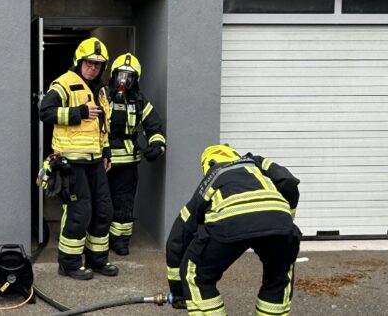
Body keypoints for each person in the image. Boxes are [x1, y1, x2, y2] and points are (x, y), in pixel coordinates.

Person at [165, 144, 301, 315]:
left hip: (229, 226)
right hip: (280, 224)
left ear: (208, 164)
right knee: (279, 276)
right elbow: (288, 181)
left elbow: (178, 238)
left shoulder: (211, 177)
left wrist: (179, 290)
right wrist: (286, 218)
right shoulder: (255, 162)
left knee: (196, 275)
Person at [39, 37, 118, 280]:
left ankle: (97, 260)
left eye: (98, 64)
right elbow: (45, 111)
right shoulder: (64, 83)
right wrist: (78, 112)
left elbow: (103, 126)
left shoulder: (102, 91)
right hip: (72, 162)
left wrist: (106, 152)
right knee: (79, 211)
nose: (93, 68)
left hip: (95, 162)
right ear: (79, 61)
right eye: (89, 63)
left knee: (103, 210)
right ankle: (69, 263)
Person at [105, 53, 166, 255]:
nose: (124, 80)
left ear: (136, 80)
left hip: (127, 164)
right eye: (121, 75)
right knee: (100, 202)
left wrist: (156, 146)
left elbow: (154, 127)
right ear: (113, 75)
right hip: (101, 161)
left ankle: (120, 241)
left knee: (124, 203)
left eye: (129, 76)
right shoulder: (102, 96)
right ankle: (97, 243)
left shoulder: (140, 102)